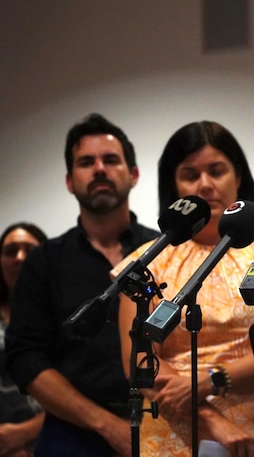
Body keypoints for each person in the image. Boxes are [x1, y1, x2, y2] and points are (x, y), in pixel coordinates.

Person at [116, 121, 254, 457]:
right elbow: (141, 364)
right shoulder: (147, 262)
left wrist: (212, 379)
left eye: (217, 171)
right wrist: (210, 421)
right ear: (174, 184)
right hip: (171, 434)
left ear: (238, 176)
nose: (205, 185)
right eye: (189, 174)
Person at [5, 113, 159, 457]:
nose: (100, 169)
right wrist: (106, 425)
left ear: (133, 175)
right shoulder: (43, 262)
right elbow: (25, 358)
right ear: (70, 181)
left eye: (111, 160)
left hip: (163, 421)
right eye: (86, 162)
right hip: (73, 432)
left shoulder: (163, 253)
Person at [1, 222, 47, 457]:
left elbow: (88, 386)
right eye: (10, 251)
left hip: (60, 439)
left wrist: (24, 433)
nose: (20, 258)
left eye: (29, 250)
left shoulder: (70, 321)